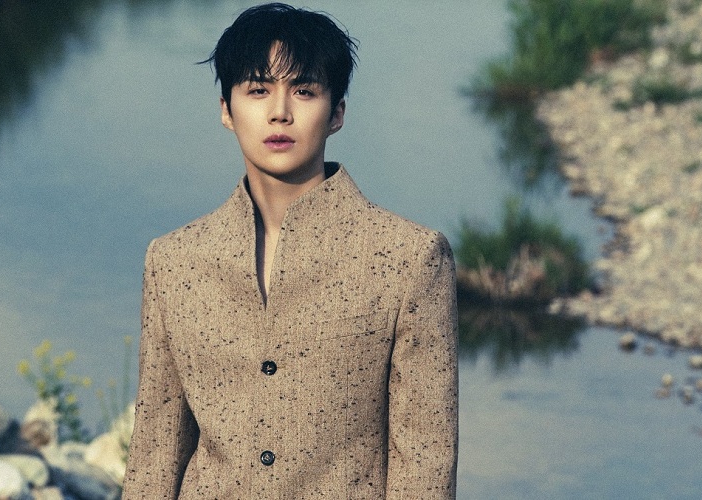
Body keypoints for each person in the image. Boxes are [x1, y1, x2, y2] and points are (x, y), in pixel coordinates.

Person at [123, 3, 458, 498]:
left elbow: (425, 463)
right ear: (226, 110)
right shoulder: (174, 262)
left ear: (337, 112)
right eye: (258, 90)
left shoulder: (409, 259)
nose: (280, 111)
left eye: (304, 90)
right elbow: (154, 454)